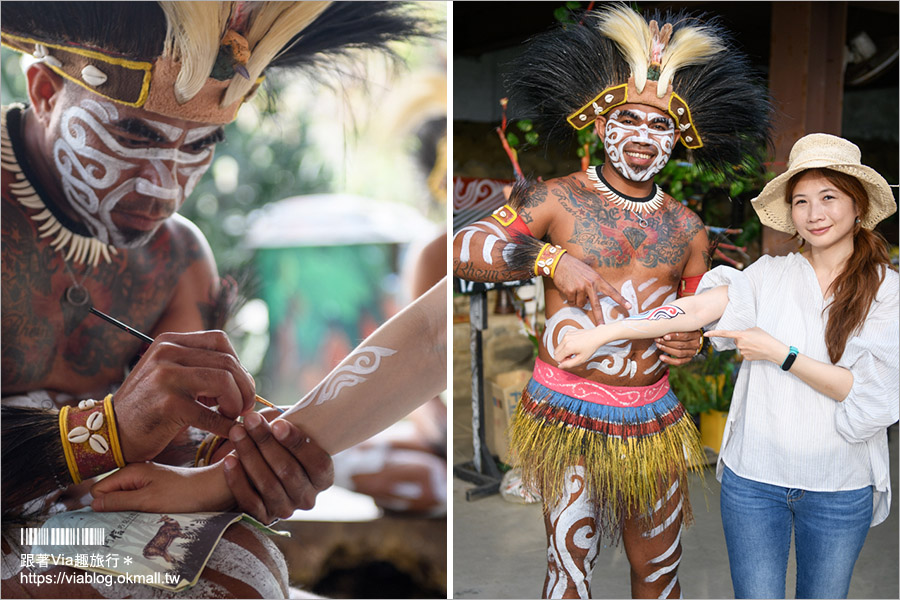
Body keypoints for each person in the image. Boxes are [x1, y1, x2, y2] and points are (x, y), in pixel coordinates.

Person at [0, 2, 428, 597]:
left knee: (236, 565)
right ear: (45, 90)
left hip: (70, 531)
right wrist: (108, 429)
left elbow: (178, 459)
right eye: (132, 134)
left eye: (199, 146)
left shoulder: (176, 259)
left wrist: (240, 460)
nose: (165, 187)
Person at [453, 5, 771, 599]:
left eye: (660, 127)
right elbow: (466, 246)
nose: (645, 138)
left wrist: (690, 346)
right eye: (630, 120)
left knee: (658, 572)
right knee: (568, 573)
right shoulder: (555, 199)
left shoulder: (689, 228)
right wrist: (549, 258)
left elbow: (693, 320)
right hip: (569, 413)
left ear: (677, 140)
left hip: (652, 418)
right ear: (601, 126)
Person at [555, 133, 899, 600]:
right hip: (755, 481)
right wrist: (601, 334)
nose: (814, 213)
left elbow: (869, 392)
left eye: (828, 198)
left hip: (838, 485)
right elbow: (691, 311)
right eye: (801, 201)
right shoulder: (769, 274)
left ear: (857, 205)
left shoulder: (886, 291)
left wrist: (781, 354)